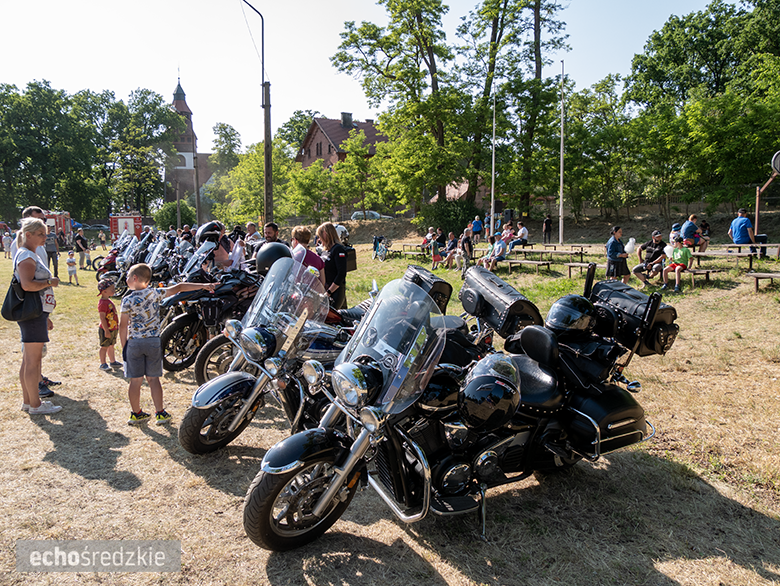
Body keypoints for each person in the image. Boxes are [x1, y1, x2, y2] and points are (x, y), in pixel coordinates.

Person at [120, 263, 215, 425]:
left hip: (135, 343)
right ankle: (160, 412)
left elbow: (123, 326)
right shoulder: (154, 293)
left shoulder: (127, 300)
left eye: (128, 276)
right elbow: (179, 287)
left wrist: (124, 347)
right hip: (153, 342)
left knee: (135, 381)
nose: (127, 279)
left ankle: (136, 413)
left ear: (134, 278)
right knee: (154, 379)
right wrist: (204, 285)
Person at [13, 218, 61, 415]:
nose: (45, 237)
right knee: (33, 362)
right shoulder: (26, 256)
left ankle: (28, 402)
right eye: (41, 234)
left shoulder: (29, 254)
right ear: (29, 235)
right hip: (32, 314)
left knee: (29, 360)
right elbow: (27, 285)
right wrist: (50, 282)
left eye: (46, 233)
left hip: (35, 313)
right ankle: (35, 405)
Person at [317, 222, 349, 309]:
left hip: (335, 292)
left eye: (320, 236)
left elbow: (341, 274)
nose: (319, 239)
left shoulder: (338, 249)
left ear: (325, 234)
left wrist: (329, 292)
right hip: (325, 290)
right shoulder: (325, 251)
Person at [97, 279, 122, 371]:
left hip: (113, 328)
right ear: (104, 291)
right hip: (106, 329)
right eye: (112, 289)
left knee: (111, 345)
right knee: (104, 347)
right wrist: (106, 331)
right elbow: (102, 318)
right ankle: (103, 364)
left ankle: (113, 361)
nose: (114, 290)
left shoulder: (108, 301)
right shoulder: (103, 303)